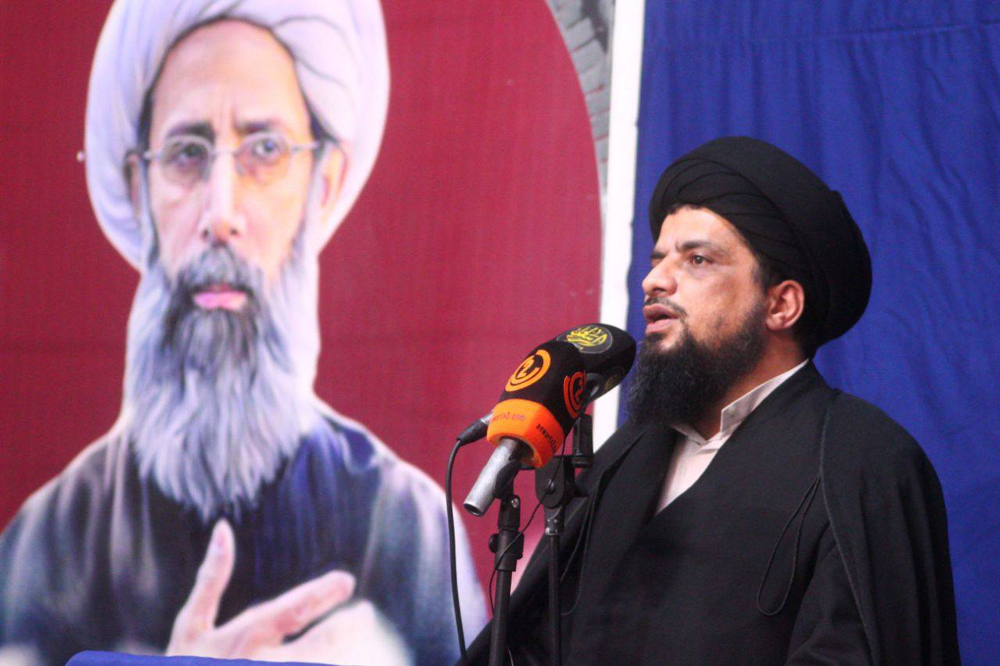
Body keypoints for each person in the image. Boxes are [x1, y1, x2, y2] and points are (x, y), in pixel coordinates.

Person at [0, 2, 484, 664]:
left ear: (322, 186)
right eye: (186, 154)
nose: (221, 213)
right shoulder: (45, 547)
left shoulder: (406, 529)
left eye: (265, 150)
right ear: (139, 191)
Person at [467, 136, 959, 664]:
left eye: (697, 259)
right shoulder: (623, 457)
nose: (654, 281)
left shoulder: (864, 463)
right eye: (658, 259)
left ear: (781, 305)